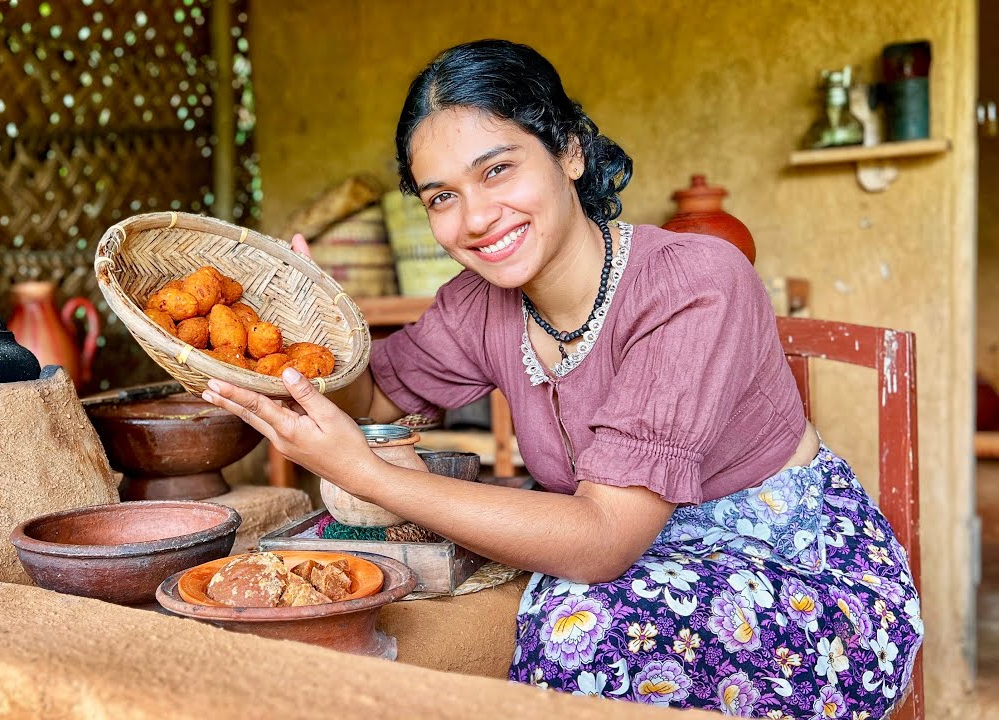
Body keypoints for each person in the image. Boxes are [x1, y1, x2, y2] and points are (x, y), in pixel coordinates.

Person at [201, 39, 922, 716]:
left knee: (580, 632)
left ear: (570, 151)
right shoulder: (477, 305)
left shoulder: (696, 286)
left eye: (497, 169)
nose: (477, 218)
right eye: (441, 196)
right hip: (632, 562)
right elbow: (378, 392)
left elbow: (604, 538)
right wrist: (322, 336)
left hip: (800, 584)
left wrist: (369, 473)